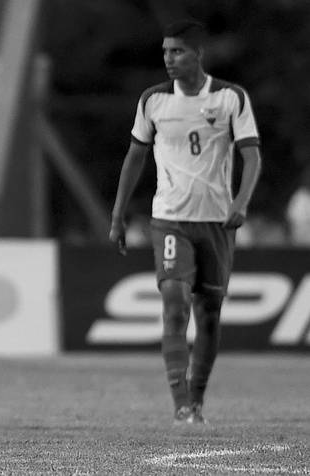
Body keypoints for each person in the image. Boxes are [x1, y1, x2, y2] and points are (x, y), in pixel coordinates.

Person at [108, 20, 262, 425]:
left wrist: (242, 201)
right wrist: (118, 214)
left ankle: (197, 399)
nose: (168, 59)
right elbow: (135, 156)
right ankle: (180, 406)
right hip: (170, 219)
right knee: (175, 303)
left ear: (198, 54)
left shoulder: (231, 98)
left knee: (208, 310)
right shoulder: (153, 101)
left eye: (177, 51)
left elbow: (252, 155)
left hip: (216, 221)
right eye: (164, 52)